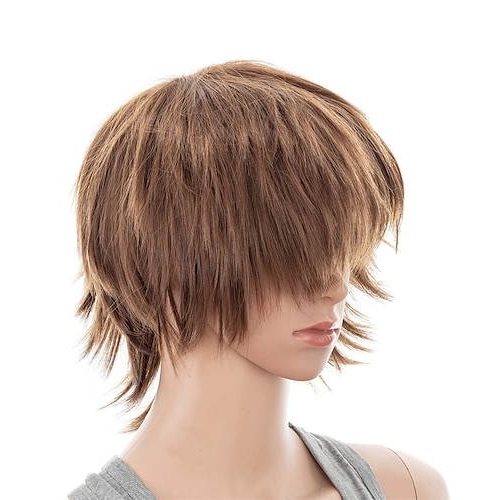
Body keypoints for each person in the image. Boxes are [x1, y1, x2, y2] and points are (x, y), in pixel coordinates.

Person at [67, 61, 449, 499]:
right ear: (169, 256)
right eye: (290, 255)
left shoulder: (407, 488)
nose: (335, 288)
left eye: (339, 249)